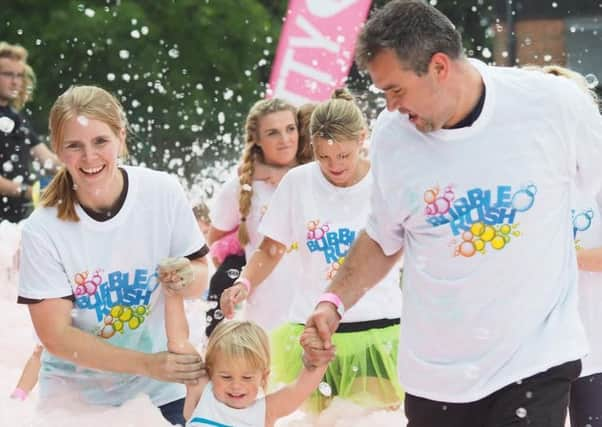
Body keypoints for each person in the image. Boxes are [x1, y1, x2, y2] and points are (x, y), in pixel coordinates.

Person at [302, 1, 602, 426]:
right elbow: (382, 238)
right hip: (435, 376)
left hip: (535, 359)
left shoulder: (551, 106)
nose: (389, 106)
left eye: (397, 90)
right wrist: (333, 302)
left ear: (439, 66)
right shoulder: (393, 138)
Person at [17, 85, 208, 425]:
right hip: (74, 399)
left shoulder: (162, 192)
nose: (89, 157)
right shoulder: (42, 229)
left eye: (100, 141)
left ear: (121, 136)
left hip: (160, 389)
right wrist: (147, 363)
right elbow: (56, 337)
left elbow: (200, 275)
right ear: (59, 150)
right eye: (74, 146)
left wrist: (187, 275)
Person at [220, 89, 403, 411]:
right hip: (311, 334)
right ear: (312, 146)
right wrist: (243, 284)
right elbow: (271, 249)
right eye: (323, 157)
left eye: (344, 156)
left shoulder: (386, 181)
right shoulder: (298, 182)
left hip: (377, 328)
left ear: (362, 139)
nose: (334, 166)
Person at [207, 98, 311, 333]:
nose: (285, 140)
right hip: (267, 316)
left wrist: (286, 173)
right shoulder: (241, 187)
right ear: (257, 139)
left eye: (290, 129)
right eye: (273, 133)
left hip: (316, 310)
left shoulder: (318, 177)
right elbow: (213, 241)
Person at [534, 65, 602, 427]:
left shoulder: (597, 177)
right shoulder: (523, 177)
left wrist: (560, 256)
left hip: (595, 345)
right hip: (532, 352)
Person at [185, 320, 330, 427]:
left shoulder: (265, 411)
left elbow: (300, 389)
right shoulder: (203, 395)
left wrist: (319, 356)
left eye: (247, 378)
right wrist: (173, 295)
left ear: (263, 377)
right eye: (226, 377)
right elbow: (178, 341)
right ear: (210, 372)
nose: (236, 385)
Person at [0, 41, 58, 223]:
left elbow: (48, 160)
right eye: (8, 74)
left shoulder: (17, 117)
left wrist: (79, 172)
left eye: (19, 75)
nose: (15, 81)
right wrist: (29, 191)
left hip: (14, 221)